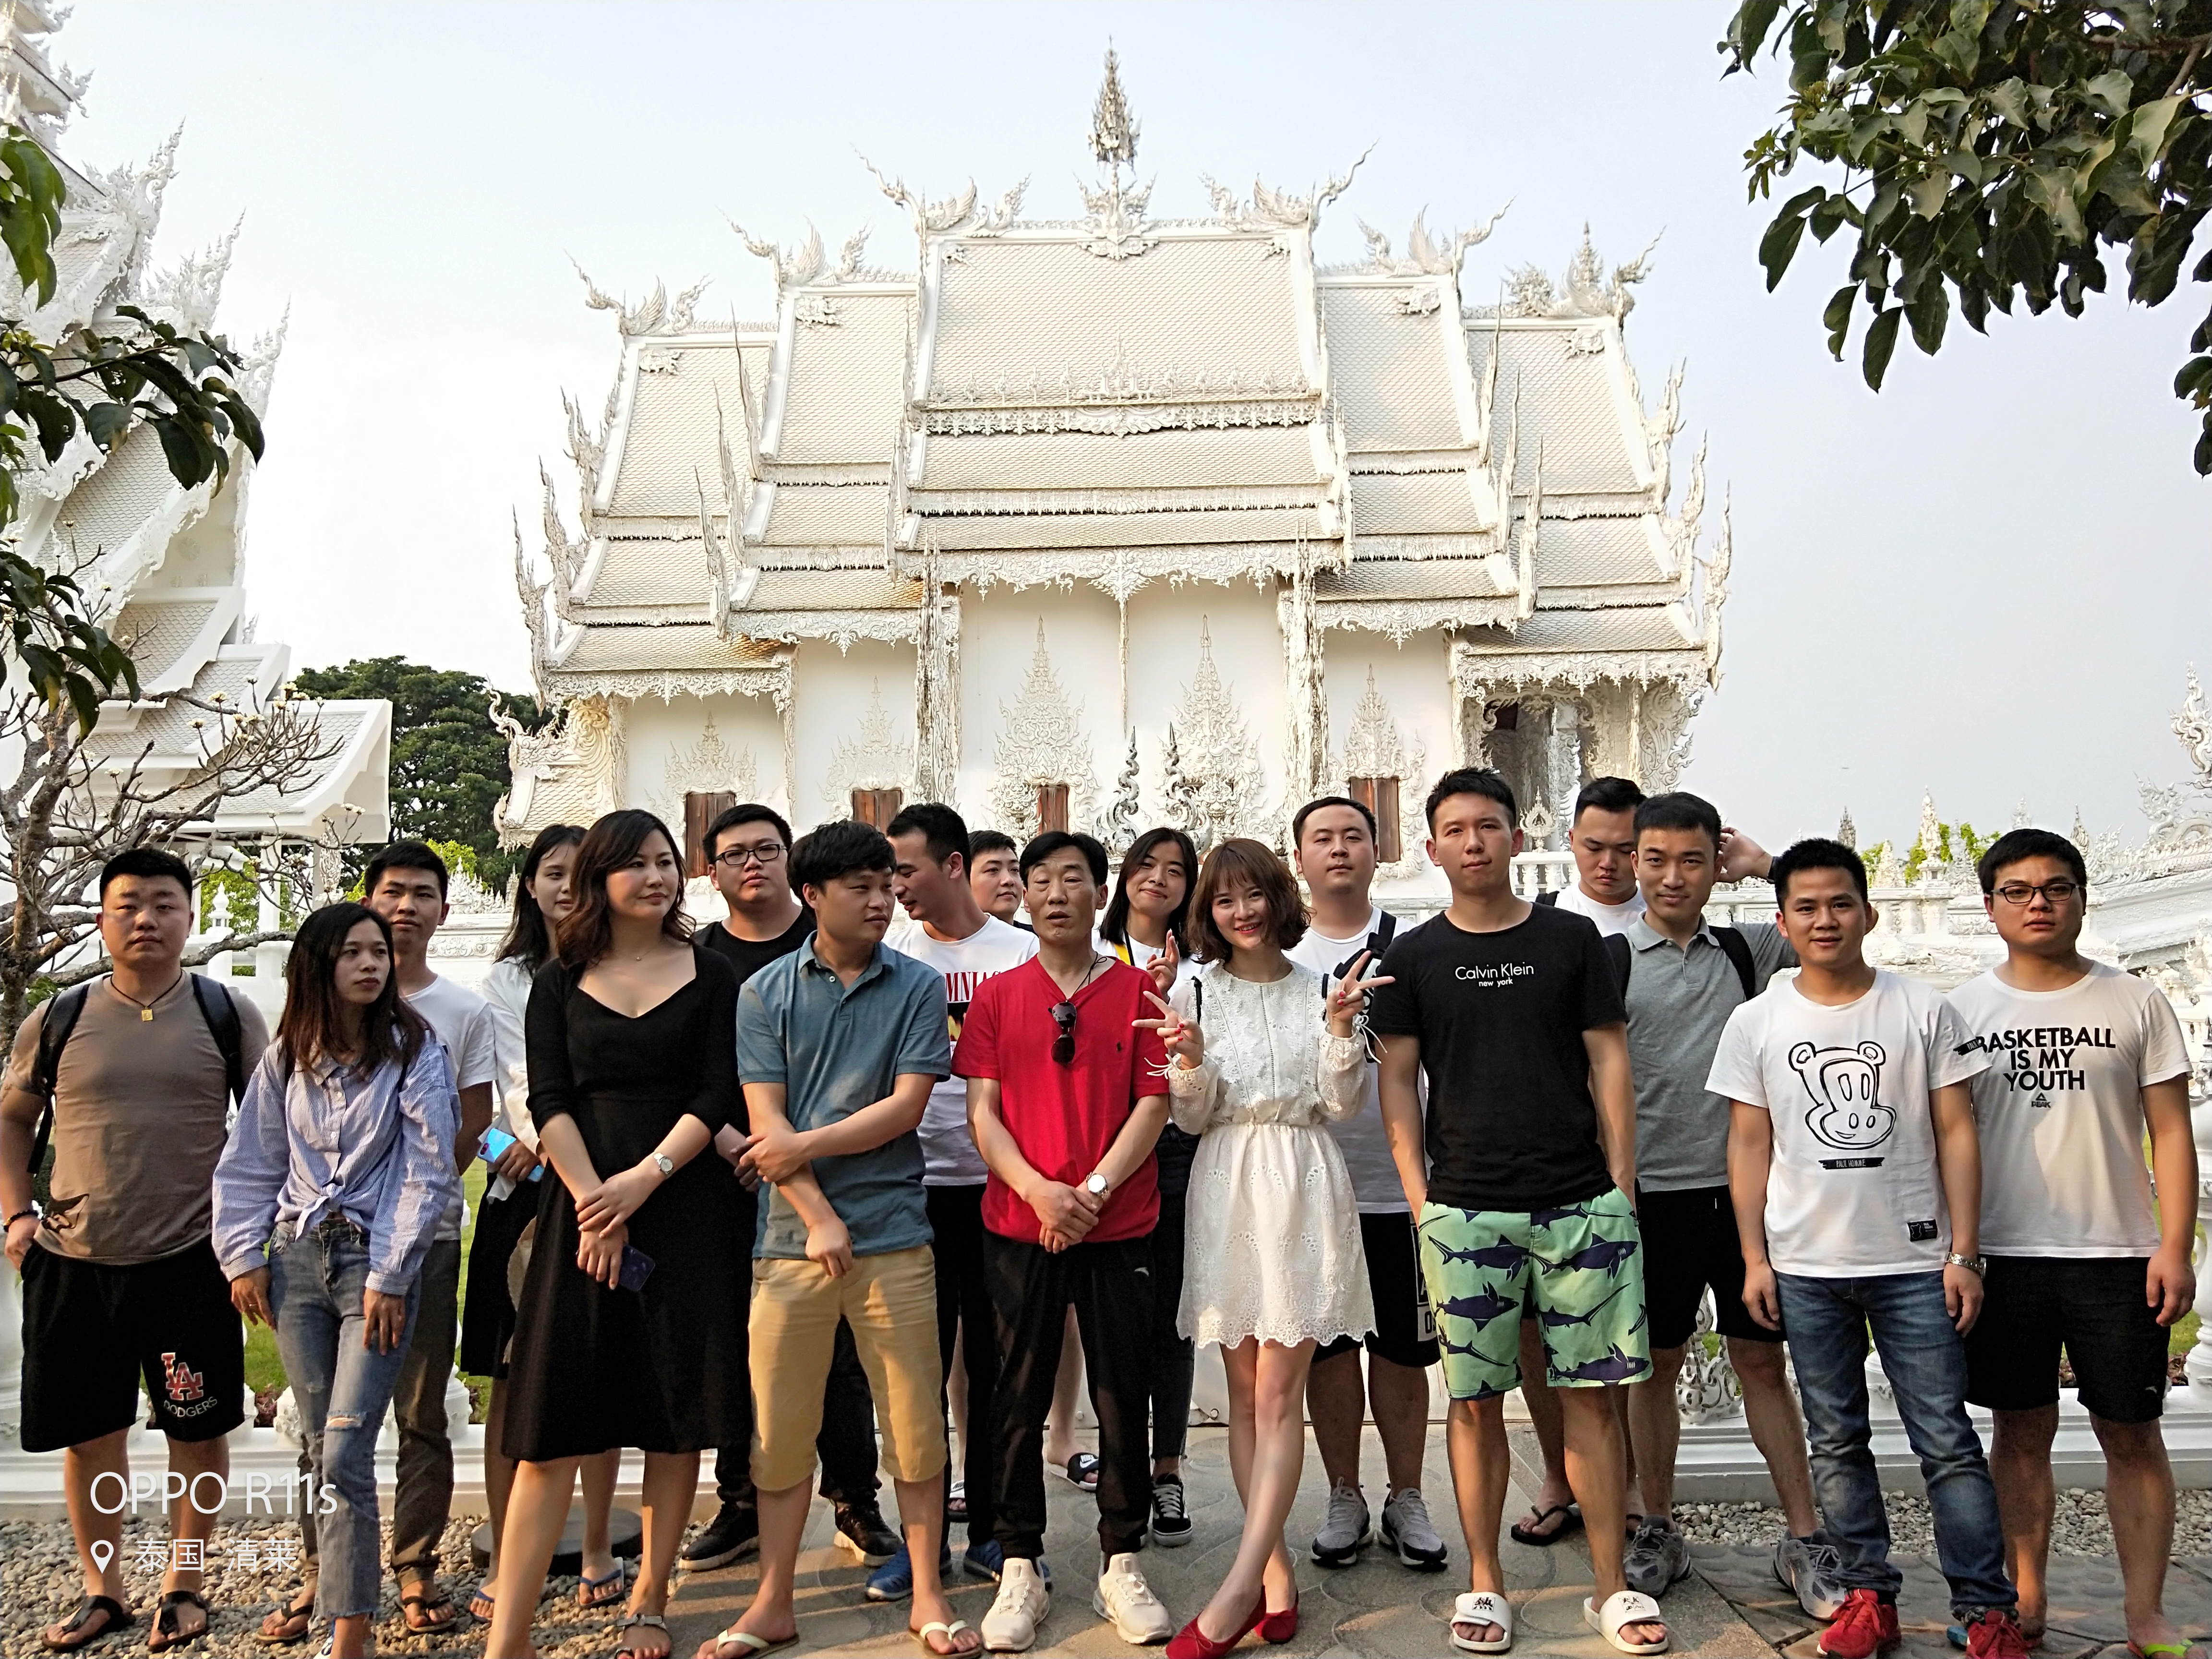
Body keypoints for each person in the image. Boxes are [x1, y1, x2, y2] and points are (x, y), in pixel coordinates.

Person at [1371, 768, 1664, 1657]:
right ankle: (1486, 1581)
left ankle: (1610, 1586)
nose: (1474, 842)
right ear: (1432, 849)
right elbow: (1397, 1083)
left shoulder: (1571, 940)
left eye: (1489, 826)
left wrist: (1620, 1182)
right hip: (1466, 1210)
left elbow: (1608, 1058)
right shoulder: (1413, 957)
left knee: (1593, 1403)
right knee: (1473, 1405)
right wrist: (1421, 1198)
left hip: (1579, 1203)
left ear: (1516, 837)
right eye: (1456, 830)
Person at [1710, 838, 2027, 1659]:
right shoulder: (1757, 1021)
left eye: (1840, 904)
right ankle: (1866, 1594)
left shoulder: (1921, 1009)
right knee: (1836, 1440)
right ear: (1782, 922)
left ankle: (1984, 1607)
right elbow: (1748, 1146)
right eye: (1806, 908)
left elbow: (1958, 1132)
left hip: (1914, 1264)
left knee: (1946, 1441)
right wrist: (1753, 1258)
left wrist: (1964, 1253)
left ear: (1869, 913)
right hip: (1807, 1266)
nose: (1825, 920)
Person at [707, 819, 977, 1659]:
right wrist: (818, 1214)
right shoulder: (765, 993)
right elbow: (764, 1118)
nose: (880, 900)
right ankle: (772, 1601)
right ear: (813, 895)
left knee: (915, 1425)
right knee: (780, 1431)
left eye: (886, 884)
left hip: (894, 1234)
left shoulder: (917, 986)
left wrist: (801, 1149)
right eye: (860, 887)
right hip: (789, 1241)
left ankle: (927, 1592)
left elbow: (905, 1108)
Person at [489, 810, 748, 1659]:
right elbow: (548, 1100)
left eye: (666, 861)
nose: (657, 876)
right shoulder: (559, 980)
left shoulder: (712, 974)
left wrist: (643, 1180)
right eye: (636, 863)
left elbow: (716, 1093)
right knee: (553, 1424)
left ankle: (650, 1593)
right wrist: (595, 1202)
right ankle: (508, 1635)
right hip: (581, 1212)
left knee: (675, 1414)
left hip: (685, 1209)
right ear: (599, 878)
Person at [3, 848, 267, 1654]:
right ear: (102, 920)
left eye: (163, 904)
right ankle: (104, 1591)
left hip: (191, 1261)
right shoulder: (58, 1018)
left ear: (189, 918)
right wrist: (15, 1215)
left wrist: (249, 1237)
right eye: (128, 905)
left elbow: (267, 1130)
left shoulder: (226, 1014)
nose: (146, 919)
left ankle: (184, 1584)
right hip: (74, 1260)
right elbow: (13, 1116)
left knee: (196, 1428)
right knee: (91, 1436)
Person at [1948, 828, 2197, 1658]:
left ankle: (2144, 1612)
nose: (2038, 904)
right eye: (2017, 891)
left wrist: (2172, 1246)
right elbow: (1947, 1138)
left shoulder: (2135, 1002)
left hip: (2117, 1253)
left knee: (2131, 1432)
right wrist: (1958, 1253)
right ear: (1990, 907)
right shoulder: (1961, 1011)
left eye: (2056, 888)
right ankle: (2024, 1595)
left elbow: (2171, 1132)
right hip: (2005, 1254)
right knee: (2019, 1433)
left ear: (2083, 900)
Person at [1147, 837, 1382, 1658]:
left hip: (1304, 1182)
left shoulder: (1320, 986)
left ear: (1278, 897)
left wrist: (1342, 1030)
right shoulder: (1193, 991)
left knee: (1281, 1394)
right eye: (1223, 899)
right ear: (1207, 912)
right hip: (1224, 1184)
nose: (1241, 911)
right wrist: (1188, 1060)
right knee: (1245, 1397)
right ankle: (1275, 1574)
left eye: (1252, 895)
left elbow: (1340, 1104)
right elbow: (1189, 1116)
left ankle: (1239, 1587)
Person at [1611, 794, 1839, 1618]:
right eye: (1656, 860)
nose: (1673, 878)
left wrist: (1765, 863)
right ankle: (1655, 1523)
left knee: (1760, 1362)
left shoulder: (1744, 949)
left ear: (1717, 865)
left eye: (1693, 860)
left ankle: (1804, 1532)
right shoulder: (1608, 959)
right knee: (1656, 1364)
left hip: (1747, 1196)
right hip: (1652, 1196)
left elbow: (1828, 915)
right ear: (1633, 864)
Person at [213, 902, 458, 1659]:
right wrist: (242, 1255)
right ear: (319, 965)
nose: (370, 964)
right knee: (322, 1447)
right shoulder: (287, 1057)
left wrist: (391, 1272)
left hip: (373, 1268)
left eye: (377, 951)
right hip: (296, 1263)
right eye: (352, 952)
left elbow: (428, 1169)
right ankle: (337, 1597)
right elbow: (251, 1160)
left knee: (347, 1448)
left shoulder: (415, 1050)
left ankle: (351, 1631)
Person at [959, 830, 1173, 1654]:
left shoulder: (1138, 992)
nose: (1055, 894)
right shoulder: (995, 997)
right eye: (1040, 879)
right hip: (1022, 1225)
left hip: (1118, 1223)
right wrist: (1038, 1191)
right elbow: (983, 1111)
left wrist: (1091, 1191)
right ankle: (1019, 1560)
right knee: (1015, 1391)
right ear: (1024, 892)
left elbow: (1153, 1105)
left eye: (1073, 879)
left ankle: (1122, 1558)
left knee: (1122, 1389)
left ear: (1099, 893)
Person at [682, 801, 904, 1576]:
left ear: (795, 868)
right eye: (734, 853)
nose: (752, 863)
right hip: (726, 1175)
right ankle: (740, 1502)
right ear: (711, 872)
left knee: (842, 1356)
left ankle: (855, 1500)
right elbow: (694, 1072)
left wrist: (783, 1149)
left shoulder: (839, 941)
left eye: (767, 849)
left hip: (841, 1181)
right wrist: (739, 1141)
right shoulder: (700, 960)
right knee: (740, 1348)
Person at [338, 841, 499, 1635]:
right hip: (333, 1241)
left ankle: (414, 1564)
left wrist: (411, 1203)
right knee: (328, 1417)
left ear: (444, 909)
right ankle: (328, 1574)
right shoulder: (326, 1001)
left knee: (422, 1409)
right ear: (367, 901)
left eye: (422, 894)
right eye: (393, 891)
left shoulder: (463, 1011)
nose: (406, 906)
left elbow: (475, 1121)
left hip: (428, 1238)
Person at [469, 824, 628, 1625]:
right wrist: (524, 1146)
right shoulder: (506, 979)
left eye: (582, 872)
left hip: (609, 1192)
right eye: (553, 873)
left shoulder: (627, 965)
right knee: (513, 1381)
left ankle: (598, 1542)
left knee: (599, 1369)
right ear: (529, 884)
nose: (568, 887)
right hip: (529, 1192)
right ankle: (508, 1551)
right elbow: (509, 1084)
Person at [1286, 796, 1448, 1574]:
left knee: (1404, 1353)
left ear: (1378, 850)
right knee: (1328, 1353)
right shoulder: (1281, 956)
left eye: (1354, 835)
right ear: (1299, 860)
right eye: (1322, 838)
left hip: (1399, 1187)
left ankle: (1406, 1494)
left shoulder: (1413, 949)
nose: (1339, 849)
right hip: (1313, 1189)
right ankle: (1343, 1493)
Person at [885, 803, 1039, 1593]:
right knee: (914, 1369)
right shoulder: (889, 954)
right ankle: (917, 1541)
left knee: (995, 1364)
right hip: (909, 1189)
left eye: (906, 869)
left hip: (999, 1186)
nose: (895, 886)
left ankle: (995, 1528)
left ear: (952, 865)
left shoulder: (1023, 953)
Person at [1517, 775, 1646, 1545]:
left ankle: (1625, 1483)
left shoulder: (1669, 917)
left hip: (1648, 1167)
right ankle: (1558, 1474)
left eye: (1627, 849)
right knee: (1538, 1334)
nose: (1609, 863)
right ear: (1568, 842)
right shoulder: (1540, 925)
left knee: (1619, 1338)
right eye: (1594, 846)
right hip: (1550, 1164)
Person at [1096, 826, 1203, 1543]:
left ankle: (1167, 1470)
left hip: (1178, 1148)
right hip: (1105, 1147)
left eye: (1175, 870)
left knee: (1172, 1314)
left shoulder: (1206, 965)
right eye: (1146, 864)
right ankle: (1119, 1464)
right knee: (1113, 1319)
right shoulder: (1092, 954)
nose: (1158, 879)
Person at [969, 830, 1029, 930]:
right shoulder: (947, 939)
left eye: (1015, 870)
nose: (1009, 880)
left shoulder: (1035, 939)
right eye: (993, 870)